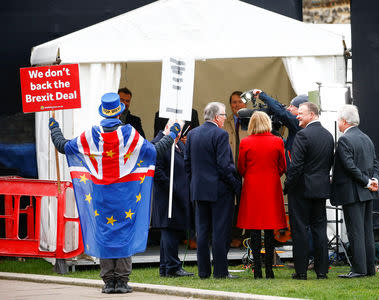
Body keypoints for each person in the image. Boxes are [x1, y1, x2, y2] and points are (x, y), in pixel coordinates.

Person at [48, 92, 180, 293]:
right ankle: (122, 281)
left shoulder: (91, 135)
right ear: (119, 112)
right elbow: (154, 150)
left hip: (100, 198)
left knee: (105, 233)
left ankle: (109, 282)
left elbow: (63, 146)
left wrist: (54, 127)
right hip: (126, 197)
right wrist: (172, 134)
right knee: (124, 234)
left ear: (103, 111)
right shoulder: (129, 133)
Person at [184, 102, 242, 279]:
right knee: (219, 232)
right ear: (217, 117)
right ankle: (220, 272)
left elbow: (187, 164)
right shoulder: (221, 134)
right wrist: (236, 186)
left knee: (201, 232)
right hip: (219, 191)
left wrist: (195, 182)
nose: (225, 118)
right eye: (224, 115)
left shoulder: (192, 134)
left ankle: (203, 271)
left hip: (199, 190)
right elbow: (224, 166)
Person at [330, 104, 379, 279]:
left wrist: (368, 181)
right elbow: (376, 163)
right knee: (367, 231)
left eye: (339, 119)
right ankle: (369, 268)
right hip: (368, 192)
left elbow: (349, 166)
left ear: (344, 121)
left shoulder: (344, 140)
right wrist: (374, 180)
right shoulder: (366, 138)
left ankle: (359, 269)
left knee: (355, 232)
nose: (338, 122)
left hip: (353, 193)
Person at [284, 102, 334, 280]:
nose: (297, 115)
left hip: (301, 190)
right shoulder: (328, 135)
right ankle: (322, 271)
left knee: (300, 230)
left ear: (312, 115)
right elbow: (328, 163)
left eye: (301, 113)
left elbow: (296, 167)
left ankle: (301, 271)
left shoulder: (302, 135)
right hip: (320, 189)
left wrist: (287, 185)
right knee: (319, 229)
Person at [236, 111, 287, 279]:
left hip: (252, 187)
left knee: (254, 229)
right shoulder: (277, 141)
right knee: (270, 227)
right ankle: (270, 269)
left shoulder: (245, 142)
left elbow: (241, 167)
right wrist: (272, 175)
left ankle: (257, 268)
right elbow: (282, 166)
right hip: (271, 185)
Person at [151, 120, 194, 278]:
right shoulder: (158, 143)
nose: (179, 134)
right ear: (168, 128)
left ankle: (166, 266)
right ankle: (172, 267)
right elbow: (157, 171)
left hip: (178, 195)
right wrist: (172, 187)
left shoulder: (178, 144)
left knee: (172, 231)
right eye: (177, 130)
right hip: (166, 196)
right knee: (168, 230)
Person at [252, 89, 308, 166]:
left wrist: (261, 95)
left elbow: (281, 112)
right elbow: (292, 143)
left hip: (296, 173)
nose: (288, 108)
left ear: (300, 110)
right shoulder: (298, 126)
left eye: (292, 106)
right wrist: (278, 137)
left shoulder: (299, 123)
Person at [223, 91, 250, 248]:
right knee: (232, 205)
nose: (236, 105)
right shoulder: (225, 122)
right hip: (230, 168)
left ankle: (247, 236)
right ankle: (234, 235)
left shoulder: (251, 120)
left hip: (247, 169)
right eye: (233, 102)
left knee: (246, 204)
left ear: (245, 104)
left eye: (240, 102)